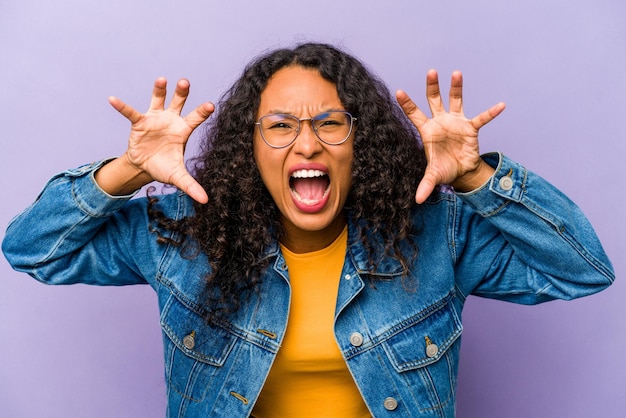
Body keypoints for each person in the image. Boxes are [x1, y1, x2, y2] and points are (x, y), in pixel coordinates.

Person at [2, 43, 614, 417]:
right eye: (279, 127)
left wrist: (478, 176)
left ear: (361, 143)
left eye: (329, 123)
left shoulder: (435, 236)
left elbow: (583, 269)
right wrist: (126, 172)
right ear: (250, 149)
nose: (306, 143)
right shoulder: (185, 240)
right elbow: (31, 250)